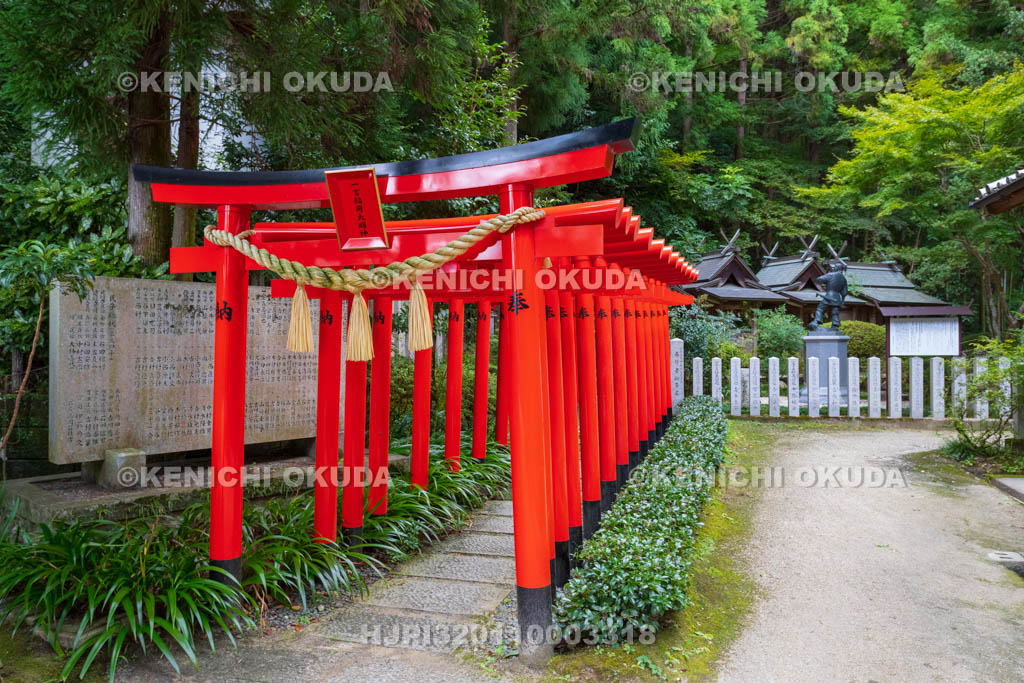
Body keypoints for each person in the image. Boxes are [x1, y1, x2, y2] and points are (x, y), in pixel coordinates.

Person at [808, 261, 848, 330]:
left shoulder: (831, 274)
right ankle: (835, 325)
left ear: (837, 268)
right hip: (837, 297)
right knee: (835, 312)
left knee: (820, 309)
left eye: (834, 267)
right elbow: (844, 293)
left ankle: (817, 321)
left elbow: (819, 279)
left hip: (829, 295)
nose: (833, 268)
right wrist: (842, 302)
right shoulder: (844, 279)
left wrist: (825, 283)